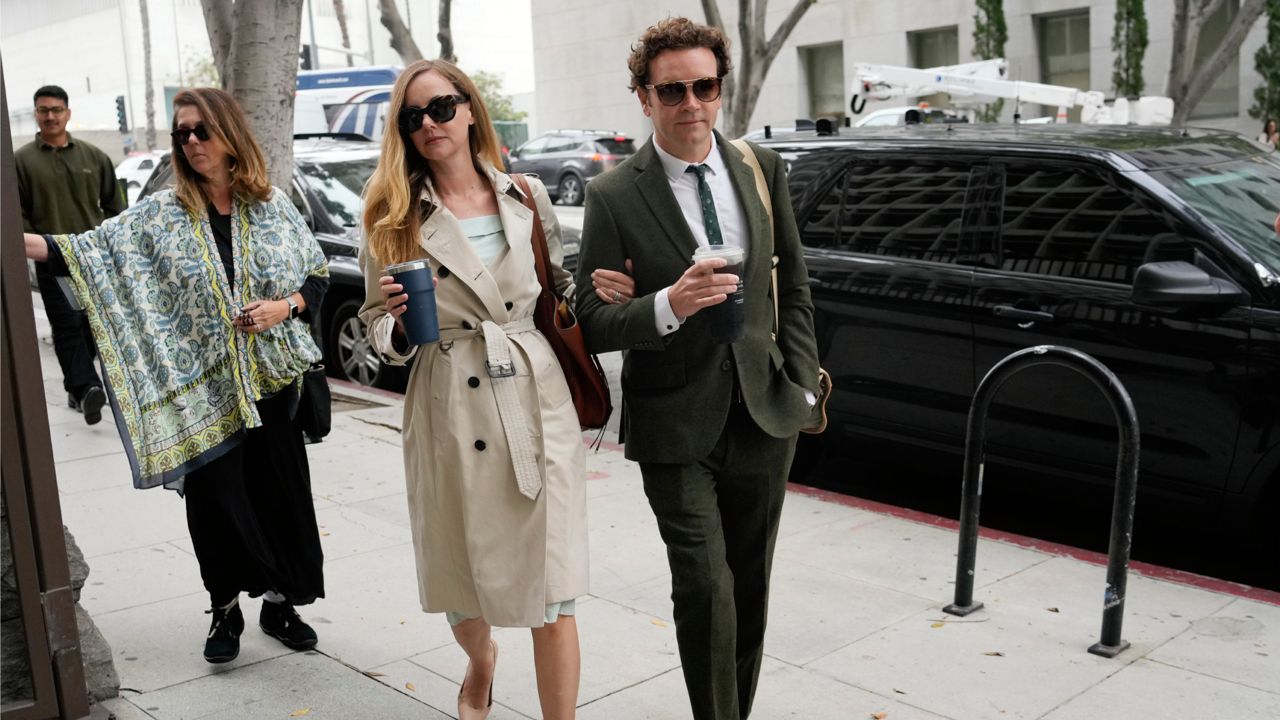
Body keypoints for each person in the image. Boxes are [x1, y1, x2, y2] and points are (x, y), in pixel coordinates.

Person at [358, 60, 631, 720]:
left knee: (553, 588)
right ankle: (480, 660)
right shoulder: (391, 213)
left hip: (535, 399)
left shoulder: (527, 195)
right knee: (462, 576)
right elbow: (373, 330)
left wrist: (606, 292)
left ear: (472, 109)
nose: (430, 124)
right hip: (450, 400)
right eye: (413, 116)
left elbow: (560, 293)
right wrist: (395, 325)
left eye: (442, 107)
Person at [24, 87, 329, 665]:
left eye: (201, 131)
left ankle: (278, 604)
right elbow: (89, 253)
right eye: (181, 133)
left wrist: (281, 307)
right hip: (202, 394)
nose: (190, 142)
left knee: (279, 499)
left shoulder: (273, 205)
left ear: (229, 133)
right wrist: (20, 243)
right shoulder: (163, 212)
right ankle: (224, 610)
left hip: (274, 387)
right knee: (216, 505)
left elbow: (315, 278)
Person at [573, 17, 820, 720]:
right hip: (674, 423)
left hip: (765, 411)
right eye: (672, 90)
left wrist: (800, 380)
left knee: (748, 587)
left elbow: (794, 283)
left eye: (704, 87)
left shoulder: (759, 169)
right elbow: (594, 319)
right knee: (705, 589)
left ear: (720, 90)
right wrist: (668, 304)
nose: (691, 104)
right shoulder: (614, 195)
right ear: (645, 98)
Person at [16, 85, 125, 425]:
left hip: (93, 260)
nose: (50, 116)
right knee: (66, 327)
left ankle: (77, 387)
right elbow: (17, 215)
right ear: (36, 113)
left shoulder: (94, 157)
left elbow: (115, 207)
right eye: (43, 110)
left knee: (94, 327)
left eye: (56, 109)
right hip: (51, 260)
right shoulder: (21, 162)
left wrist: (107, 244)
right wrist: (39, 246)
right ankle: (86, 387)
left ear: (68, 113)